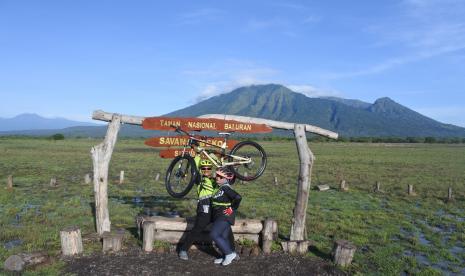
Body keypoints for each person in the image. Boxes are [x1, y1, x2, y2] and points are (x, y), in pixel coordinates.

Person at [178, 159, 215, 260]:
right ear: (201, 169)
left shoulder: (215, 178)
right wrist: (197, 153)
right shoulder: (199, 178)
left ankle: (231, 251)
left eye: (208, 168)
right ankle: (183, 249)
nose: (206, 170)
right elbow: (194, 168)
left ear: (211, 169)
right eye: (204, 168)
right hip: (204, 205)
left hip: (216, 206)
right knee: (197, 228)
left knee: (225, 228)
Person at [210, 167, 242, 266]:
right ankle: (225, 255)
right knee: (223, 237)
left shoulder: (225, 187)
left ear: (226, 178)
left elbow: (238, 197)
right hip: (219, 215)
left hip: (225, 215)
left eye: (220, 176)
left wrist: (232, 208)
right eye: (217, 175)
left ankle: (229, 254)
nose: (217, 178)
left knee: (214, 234)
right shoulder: (220, 187)